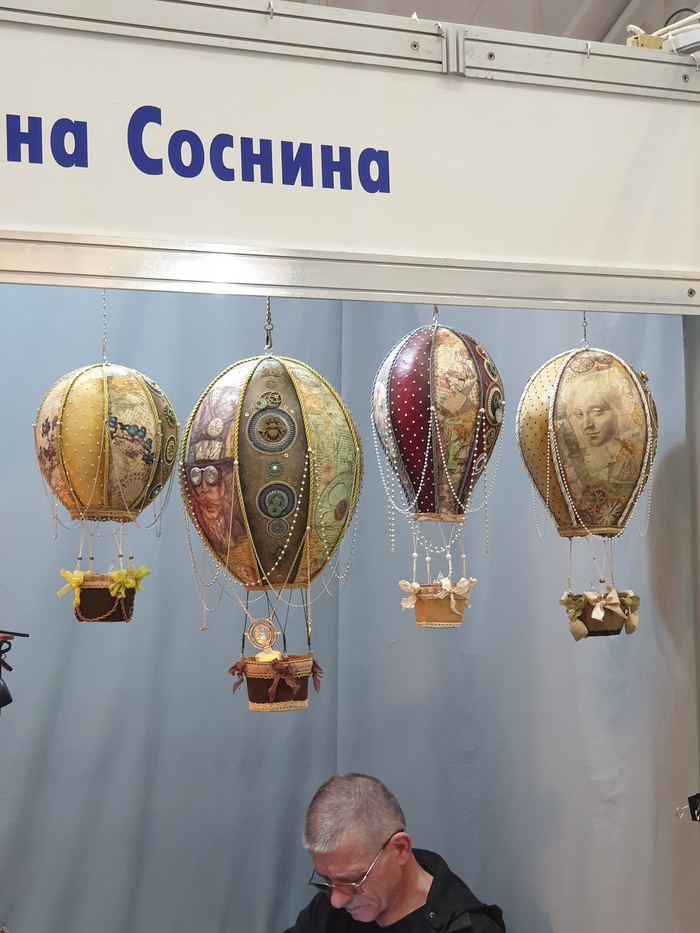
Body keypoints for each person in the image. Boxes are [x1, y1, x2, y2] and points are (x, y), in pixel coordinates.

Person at [283, 773, 506, 932]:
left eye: (353, 880)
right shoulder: (329, 909)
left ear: (400, 849)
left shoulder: (466, 927)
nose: (337, 901)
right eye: (326, 880)